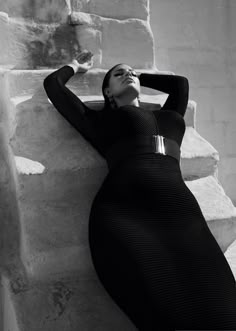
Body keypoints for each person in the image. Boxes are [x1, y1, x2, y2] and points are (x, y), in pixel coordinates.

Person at [43, 50, 236, 330]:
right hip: (127, 215)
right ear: (108, 92)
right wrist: (76, 66)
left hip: (180, 213)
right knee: (164, 311)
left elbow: (179, 84)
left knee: (224, 305)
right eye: (118, 74)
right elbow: (53, 86)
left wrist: (134, 75)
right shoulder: (99, 121)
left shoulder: (169, 115)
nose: (128, 74)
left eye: (130, 71)